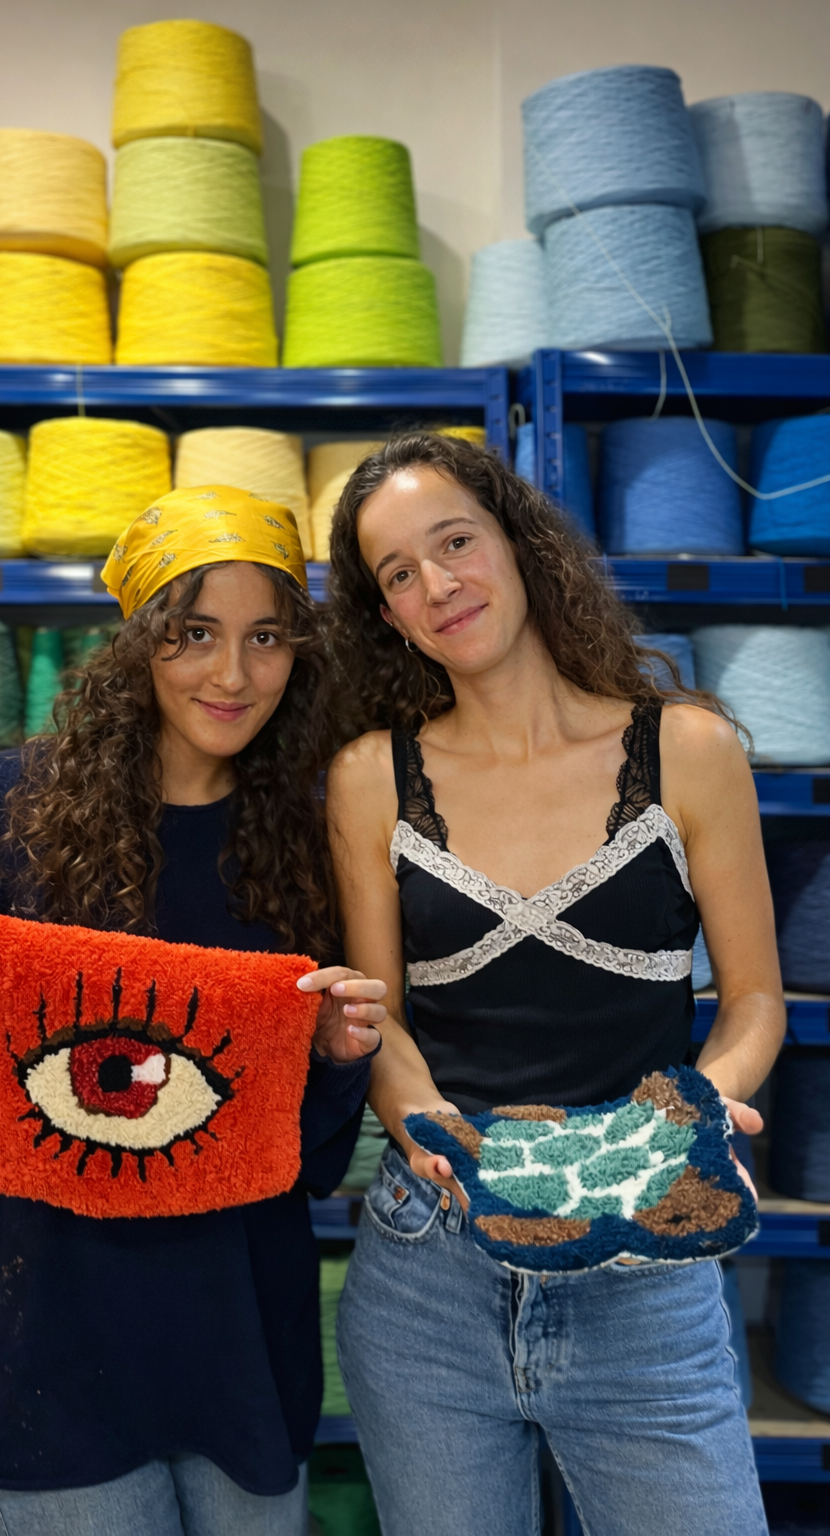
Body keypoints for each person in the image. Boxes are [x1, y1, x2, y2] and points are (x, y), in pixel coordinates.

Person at [0, 486, 386, 1536]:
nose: (232, 674)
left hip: (239, 1347)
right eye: (194, 633)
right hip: (47, 1350)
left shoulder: (310, 844)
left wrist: (337, 1056)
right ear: (138, 643)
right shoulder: (7, 811)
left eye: (266, 638)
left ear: (300, 653)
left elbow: (297, 1160)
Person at [323, 433, 782, 1536]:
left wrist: (703, 1108)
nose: (437, 585)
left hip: (642, 1257)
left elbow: (755, 999)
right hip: (430, 1266)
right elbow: (380, 1018)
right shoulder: (366, 776)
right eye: (398, 573)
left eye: (454, 543)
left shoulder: (688, 749)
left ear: (518, 546)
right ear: (386, 615)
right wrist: (422, 1122)